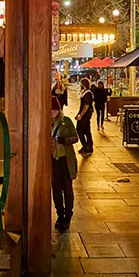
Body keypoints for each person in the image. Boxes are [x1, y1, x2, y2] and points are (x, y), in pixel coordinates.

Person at [51, 95, 79, 230]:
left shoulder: (66, 121)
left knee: (67, 190)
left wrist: (65, 140)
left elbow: (75, 138)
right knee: (56, 190)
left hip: (65, 160)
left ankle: (68, 215)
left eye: (55, 111)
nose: (52, 113)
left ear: (59, 110)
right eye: (50, 111)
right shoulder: (45, 123)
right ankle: (60, 215)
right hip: (52, 161)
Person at [75, 78, 94, 155]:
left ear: (84, 84)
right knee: (86, 131)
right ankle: (88, 145)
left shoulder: (88, 93)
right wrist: (78, 114)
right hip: (85, 116)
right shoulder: (86, 93)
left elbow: (86, 106)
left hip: (85, 116)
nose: (80, 85)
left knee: (79, 130)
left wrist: (81, 116)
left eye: (81, 84)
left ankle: (86, 145)